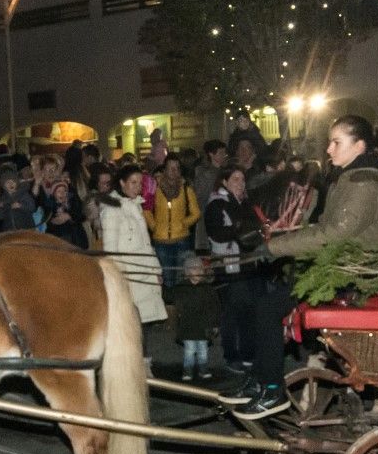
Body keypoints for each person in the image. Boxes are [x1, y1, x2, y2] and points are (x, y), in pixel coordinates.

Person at [226, 116, 378, 417]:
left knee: (268, 307)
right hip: (339, 266)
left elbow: (333, 234)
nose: (329, 150)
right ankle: (260, 379)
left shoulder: (363, 185)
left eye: (336, 142)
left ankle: (271, 389)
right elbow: (324, 227)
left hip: (352, 272)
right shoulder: (349, 178)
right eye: (329, 142)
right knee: (263, 303)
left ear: (360, 146)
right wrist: (283, 238)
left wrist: (274, 248)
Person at [204, 169, 262, 377]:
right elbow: (217, 233)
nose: (240, 183)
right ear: (225, 182)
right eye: (235, 179)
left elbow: (255, 229)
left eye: (243, 179)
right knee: (232, 312)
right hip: (229, 265)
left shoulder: (244, 203)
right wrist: (239, 229)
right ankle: (232, 356)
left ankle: (248, 353)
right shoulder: (216, 204)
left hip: (248, 265)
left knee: (248, 311)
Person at [96, 165, 166, 332]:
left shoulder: (135, 205)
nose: (138, 187)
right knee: (130, 324)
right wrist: (119, 279)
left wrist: (156, 270)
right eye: (133, 183)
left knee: (143, 323)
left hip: (145, 272)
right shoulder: (112, 209)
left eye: (140, 183)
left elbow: (146, 243)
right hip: (130, 276)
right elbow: (111, 251)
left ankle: (143, 356)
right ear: (122, 183)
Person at [146, 155, 200, 284]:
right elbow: (146, 210)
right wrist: (154, 226)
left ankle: (182, 300)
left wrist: (184, 224)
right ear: (164, 170)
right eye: (171, 168)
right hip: (161, 241)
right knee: (167, 277)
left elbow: (196, 213)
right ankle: (170, 301)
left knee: (183, 277)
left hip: (182, 239)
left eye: (177, 168)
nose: (174, 171)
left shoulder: (186, 189)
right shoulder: (155, 190)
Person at [166, 255, 220, 381]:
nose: (198, 272)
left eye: (200, 269)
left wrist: (215, 324)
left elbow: (215, 307)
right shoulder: (181, 288)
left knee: (203, 351)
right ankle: (188, 371)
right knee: (189, 351)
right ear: (187, 272)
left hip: (204, 327)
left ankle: (203, 369)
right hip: (187, 326)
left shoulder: (208, 289)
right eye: (194, 269)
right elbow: (169, 296)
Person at [39, 176, 88, 249]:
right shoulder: (50, 205)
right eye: (59, 191)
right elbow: (48, 219)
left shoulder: (72, 203)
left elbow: (82, 215)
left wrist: (69, 215)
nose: (62, 193)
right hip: (59, 241)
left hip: (76, 240)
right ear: (53, 194)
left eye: (64, 191)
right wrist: (53, 219)